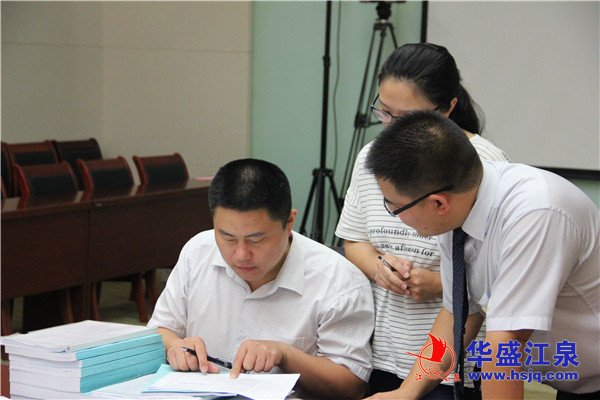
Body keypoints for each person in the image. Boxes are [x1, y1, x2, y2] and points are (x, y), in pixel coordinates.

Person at [364, 110, 599, 399]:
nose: (395, 216)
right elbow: (458, 315)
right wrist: (406, 392)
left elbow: (505, 344)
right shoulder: (459, 205)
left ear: (438, 203)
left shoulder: (535, 213)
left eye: (394, 207)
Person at [335, 43, 509, 398]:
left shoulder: (482, 166)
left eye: (406, 118)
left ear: (447, 108)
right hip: (382, 351)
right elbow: (354, 239)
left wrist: (442, 284)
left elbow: (495, 281)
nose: (391, 127)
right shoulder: (373, 157)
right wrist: (379, 266)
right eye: (384, 112)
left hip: (453, 361)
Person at [147, 158, 374, 399]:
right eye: (227, 237)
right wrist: (175, 347)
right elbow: (161, 329)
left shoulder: (338, 281)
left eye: (256, 240)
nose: (241, 255)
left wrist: (286, 356)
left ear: (289, 222)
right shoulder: (198, 251)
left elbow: (352, 385)